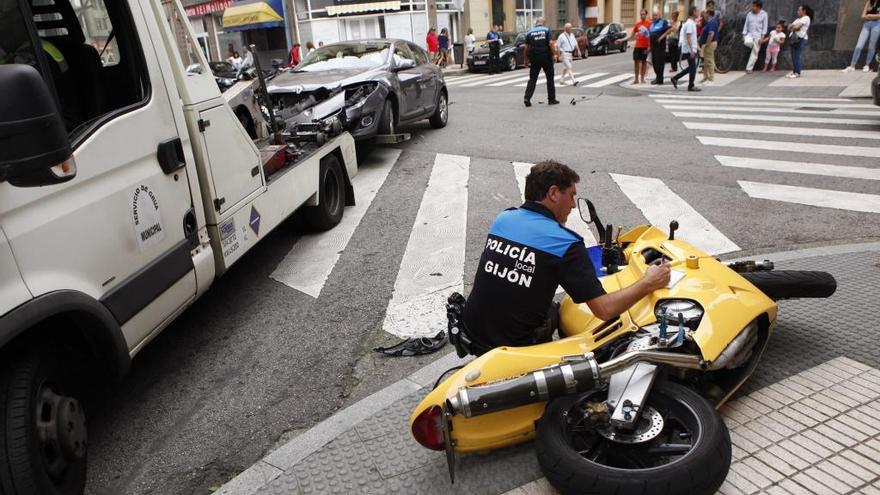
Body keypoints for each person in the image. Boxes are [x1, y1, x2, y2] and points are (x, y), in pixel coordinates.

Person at [462, 161, 672, 352]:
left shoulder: (504, 218)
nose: (573, 205)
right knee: (564, 316)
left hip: (471, 331)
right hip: (513, 348)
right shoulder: (565, 243)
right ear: (554, 193)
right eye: (571, 195)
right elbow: (605, 310)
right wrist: (648, 282)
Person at [523, 18, 558, 107]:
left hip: (534, 58)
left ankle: (527, 98)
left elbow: (526, 48)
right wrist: (554, 54)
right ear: (543, 23)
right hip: (546, 57)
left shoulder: (530, 32)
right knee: (550, 78)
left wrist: (526, 59)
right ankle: (551, 99)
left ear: (536, 23)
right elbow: (550, 43)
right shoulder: (546, 30)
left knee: (532, 79)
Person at [842, 0, 880, 73]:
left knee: (871, 46)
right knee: (859, 45)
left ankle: (867, 65)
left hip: (877, 25)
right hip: (866, 25)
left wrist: (870, 16)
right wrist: (874, 16)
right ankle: (852, 65)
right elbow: (862, 16)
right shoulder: (869, 2)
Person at [616, 9, 651, 84]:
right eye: (641, 14)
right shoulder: (637, 24)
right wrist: (621, 40)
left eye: (644, 14)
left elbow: (651, 36)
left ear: (646, 15)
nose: (642, 16)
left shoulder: (649, 23)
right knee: (636, 62)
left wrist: (649, 46)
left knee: (644, 62)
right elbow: (631, 36)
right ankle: (636, 79)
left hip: (645, 46)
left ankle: (642, 79)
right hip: (638, 46)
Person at [672, 6, 701, 92]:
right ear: (693, 12)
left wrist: (697, 48)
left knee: (692, 67)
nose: (698, 13)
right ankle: (691, 86)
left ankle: (675, 78)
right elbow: (688, 37)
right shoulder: (689, 24)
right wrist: (691, 50)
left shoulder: (692, 23)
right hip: (689, 50)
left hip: (691, 49)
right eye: (697, 11)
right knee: (693, 68)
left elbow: (693, 38)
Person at [787, 4, 813, 78]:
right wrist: (793, 27)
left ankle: (797, 73)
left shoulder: (806, 18)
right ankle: (794, 71)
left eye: (799, 10)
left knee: (797, 55)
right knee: (793, 55)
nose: (797, 11)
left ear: (804, 11)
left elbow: (796, 27)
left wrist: (793, 26)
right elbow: (789, 27)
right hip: (794, 38)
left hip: (800, 39)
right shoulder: (798, 19)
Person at [742, 1, 769, 73]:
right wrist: (744, 34)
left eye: (754, 6)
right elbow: (746, 24)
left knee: (755, 53)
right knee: (747, 42)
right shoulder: (749, 14)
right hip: (749, 35)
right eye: (752, 6)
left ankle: (749, 68)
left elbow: (765, 27)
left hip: (758, 36)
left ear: (758, 7)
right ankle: (753, 45)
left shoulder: (764, 14)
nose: (752, 7)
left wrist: (762, 38)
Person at [649, 8, 670, 85]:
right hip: (653, 46)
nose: (654, 16)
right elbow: (650, 34)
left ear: (659, 15)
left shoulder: (663, 22)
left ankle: (660, 80)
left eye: (656, 15)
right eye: (653, 15)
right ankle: (657, 77)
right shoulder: (652, 24)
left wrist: (661, 37)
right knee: (654, 63)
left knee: (659, 63)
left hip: (660, 47)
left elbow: (669, 30)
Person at [700, 9, 719, 84]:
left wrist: (707, 44)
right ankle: (706, 77)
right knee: (706, 61)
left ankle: (711, 78)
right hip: (708, 44)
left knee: (709, 61)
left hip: (710, 44)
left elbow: (711, 34)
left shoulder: (712, 22)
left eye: (705, 13)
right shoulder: (709, 22)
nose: (704, 15)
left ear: (708, 14)